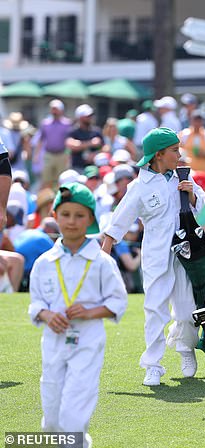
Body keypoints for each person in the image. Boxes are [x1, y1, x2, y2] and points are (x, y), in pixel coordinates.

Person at [102, 127, 205, 386]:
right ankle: (152, 365)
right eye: (174, 150)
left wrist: (191, 193)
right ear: (158, 155)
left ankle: (185, 348)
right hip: (156, 256)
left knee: (187, 311)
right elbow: (119, 220)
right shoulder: (139, 186)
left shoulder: (181, 177)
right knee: (154, 310)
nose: (179, 154)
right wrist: (104, 255)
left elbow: (201, 204)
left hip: (186, 254)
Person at [28, 182, 127, 448]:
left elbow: (118, 301)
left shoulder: (102, 262)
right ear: (54, 216)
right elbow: (35, 302)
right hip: (54, 342)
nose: (72, 222)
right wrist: (47, 315)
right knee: (51, 421)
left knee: (72, 418)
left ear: (91, 219)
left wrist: (90, 311)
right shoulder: (43, 263)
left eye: (79, 215)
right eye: (66, 214)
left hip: (88, 342)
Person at [34, 99, 73, 189]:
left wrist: (69, 156)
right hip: (49, 154)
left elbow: (69, 141)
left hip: (62, 154)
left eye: (56, 109)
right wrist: (36, 155)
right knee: (46, 180)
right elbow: (41, 140)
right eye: (53, 109)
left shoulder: (67, 124)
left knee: (61, 180)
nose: (54, 111)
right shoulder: (45, 123)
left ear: (61, 110)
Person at [66, 104, 103, 171]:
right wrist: (91, 143)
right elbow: (72, 145)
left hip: (94, 168)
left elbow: (105, 148)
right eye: (87, 116)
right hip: (77, 167)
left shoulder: (97, 131)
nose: (90, 117)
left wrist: (96, 154)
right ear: (80, 117)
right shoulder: (73, 132)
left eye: (91, 115)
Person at [179, 109, 205, 175]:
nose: (197, 123)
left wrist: (204, 154)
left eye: (199, 120)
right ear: (191, 120)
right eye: (195, 120)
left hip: (204, 174)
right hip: (188, 173)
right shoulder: (184, 134)